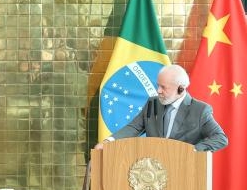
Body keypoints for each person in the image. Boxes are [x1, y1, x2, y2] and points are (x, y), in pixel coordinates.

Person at [94, 64, 227, 152]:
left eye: (163, 87)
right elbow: (134, 127)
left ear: (180, 89)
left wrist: (193, 150)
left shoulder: (200, 110)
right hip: (153, 172)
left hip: (184, 172)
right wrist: (108, 142)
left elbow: (220, 138)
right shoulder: (153, 103)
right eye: (158, 85)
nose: (158, 91)